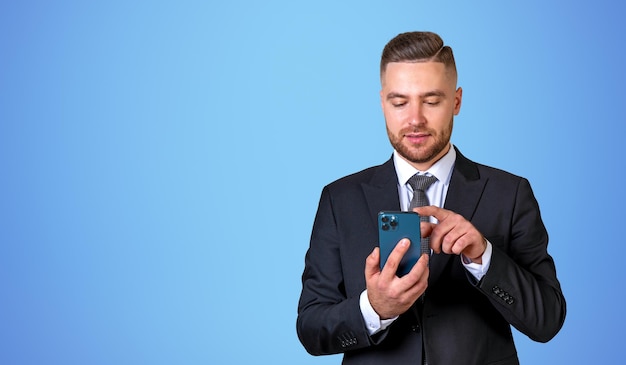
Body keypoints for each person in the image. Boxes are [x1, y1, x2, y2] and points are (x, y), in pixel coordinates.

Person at [296, 31, 566, 365]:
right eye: (399, 102)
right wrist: (375, 309)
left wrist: (484, 257)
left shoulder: (509, 194)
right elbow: (310, 328)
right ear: (382, 103)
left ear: (456, 101)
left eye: (432, 101)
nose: (415, 119)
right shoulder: (339, 199)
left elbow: (548, 320)